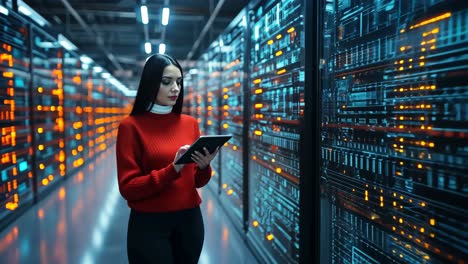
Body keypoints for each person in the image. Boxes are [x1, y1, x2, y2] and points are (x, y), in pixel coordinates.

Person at [116, 53, 219, 264]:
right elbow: (128, 187)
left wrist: (204, 166)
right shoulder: (130, 127)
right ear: (151, 83)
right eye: (167, 82)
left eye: (179, 82)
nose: (175, 88)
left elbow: (197, 182)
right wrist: (173, 169)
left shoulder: (190, 123)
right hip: (149, 226)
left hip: (190, 222)